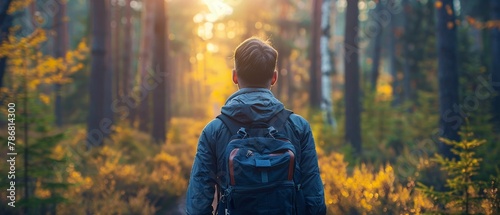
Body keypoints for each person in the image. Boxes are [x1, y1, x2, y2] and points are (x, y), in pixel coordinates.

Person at [185, 37, 326, 215]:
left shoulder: (214, 131)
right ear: (274, 77)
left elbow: (197, 205)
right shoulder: (299, 127)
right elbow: (315, 200)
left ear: (234, 76)